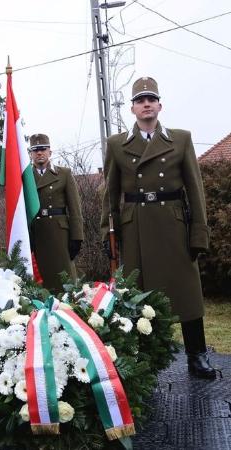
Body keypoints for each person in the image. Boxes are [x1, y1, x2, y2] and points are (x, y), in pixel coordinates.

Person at [101, 76, 215, 379]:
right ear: (133, 109)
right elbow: (110, 193)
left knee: (187, 293)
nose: (146, 104)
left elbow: (195, 188)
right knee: (140, 298)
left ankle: (197, 356)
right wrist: (106, 232)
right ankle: (145, 361)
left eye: (151, 99)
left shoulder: (181, 139)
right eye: (140, 100)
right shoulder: (117, 144)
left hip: (175, 224)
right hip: (135, 226)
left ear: (160, 105)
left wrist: (198, 232)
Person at [27, 134, 83, 292]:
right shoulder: (25, 177)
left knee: (64, 277)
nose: (39, 153)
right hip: (36, 232)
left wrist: (77, 237)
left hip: (59, 234)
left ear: (50, 152)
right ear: (30, 154)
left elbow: (75, 208)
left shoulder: (63, 174)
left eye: (43, 149)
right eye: (35, 150)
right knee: (40, 280)